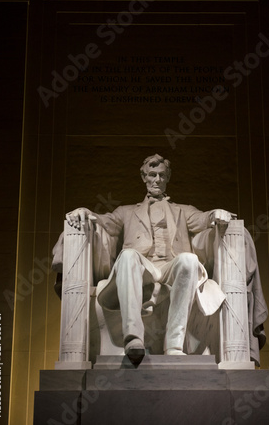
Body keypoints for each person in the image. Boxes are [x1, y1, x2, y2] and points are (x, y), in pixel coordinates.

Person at [66, 154, 235, 362]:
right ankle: (133, 339)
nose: (157, 180)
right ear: (144, 177)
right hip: (142, 267)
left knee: (189, 260)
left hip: (170, 267)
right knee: (127, 255)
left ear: (168, 178)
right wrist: (84, 212)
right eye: (152, 175)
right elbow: (103, 222)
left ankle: (174, 345)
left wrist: (215, 213)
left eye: (162, 175)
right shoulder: (126, 211)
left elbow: (203, 218)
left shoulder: (183, 210)